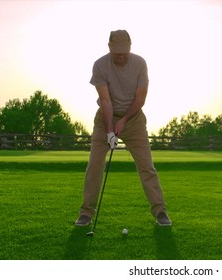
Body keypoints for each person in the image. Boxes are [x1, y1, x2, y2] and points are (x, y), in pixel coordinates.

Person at [75, 30, 171, 227]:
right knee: (94, 166)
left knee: (147, 167)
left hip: (134, 120)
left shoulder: (140, 63)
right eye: (117, 53)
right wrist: (110, 131)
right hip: (105, 120)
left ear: (130, 48)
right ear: (110, 48)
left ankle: (160, 211)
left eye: (124, 52)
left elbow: (140, 99)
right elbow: (106, 100)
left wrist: (124, 120)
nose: (121, 56)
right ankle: (86, 213)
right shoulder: (100, 65)